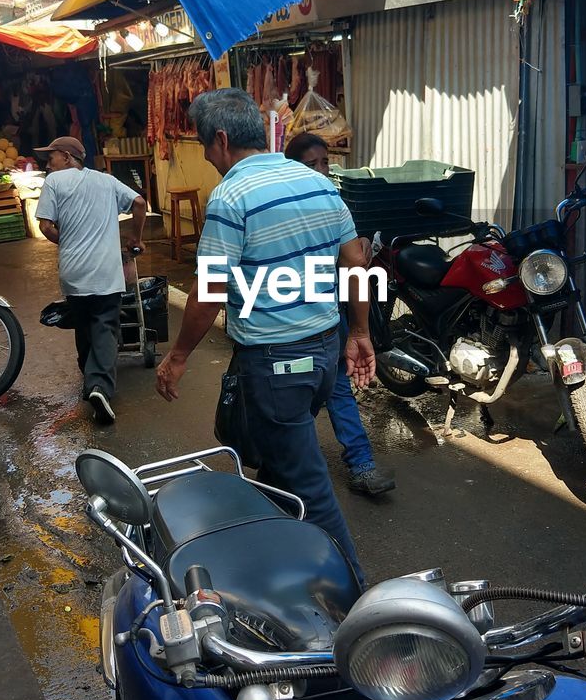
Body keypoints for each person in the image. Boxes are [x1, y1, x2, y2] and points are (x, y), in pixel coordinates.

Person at [155, 89, 374, 583]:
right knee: (279, 467)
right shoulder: (316, 181)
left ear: (223, 139)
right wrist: (358, 330)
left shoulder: (232, 197)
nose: (208, 159)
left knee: (310, 488)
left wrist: (178, 355)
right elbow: (356, 262)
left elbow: (209, 289)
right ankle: (283, 567)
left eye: (204, 147)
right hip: (321, 356)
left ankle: (360, 606)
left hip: (279, 364)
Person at [285, 132, 395, 496]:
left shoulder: (335, 201)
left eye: (324, 162)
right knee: (297, 395)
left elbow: (353, 256)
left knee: (338, 388)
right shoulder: (284, 208)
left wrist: (359, 246)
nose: (320, 169)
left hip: (329, 314)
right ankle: (287, 472)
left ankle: (362, 464)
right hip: (290, 319)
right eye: (310, 164)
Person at [35, 135, 146, 424]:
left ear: (68, 158)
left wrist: (67, 241)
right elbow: (139, 202)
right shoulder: (106, 181)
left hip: (74, 272)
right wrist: (136, 238)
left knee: (84, 323)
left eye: (52, 158)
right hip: (106, 273)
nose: (48, 165)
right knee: (105, 327)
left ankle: (89, 376)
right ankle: (99, 386)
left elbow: (46, 226)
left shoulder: (54, 183)